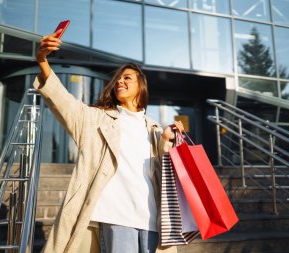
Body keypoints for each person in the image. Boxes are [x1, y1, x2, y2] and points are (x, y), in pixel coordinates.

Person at [34, 29, 183, 253]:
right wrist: (42, 60)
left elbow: (167, 178)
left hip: (152, 221)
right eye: (118, 80)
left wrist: (169, 141)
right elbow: (62, 101)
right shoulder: (95, 119)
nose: (120, 82)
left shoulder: (153, 128)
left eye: (127, 78)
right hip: (116, 216)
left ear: (141, 85)